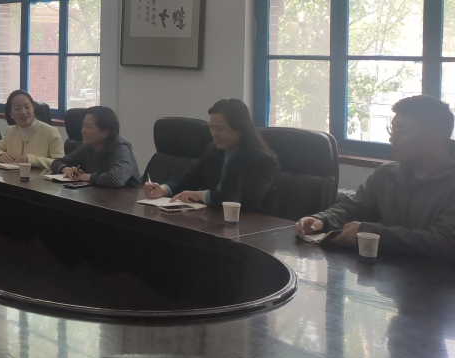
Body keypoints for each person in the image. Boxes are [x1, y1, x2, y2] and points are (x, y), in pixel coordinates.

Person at [295, 95, 455, 263]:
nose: (392, 139)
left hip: (439, 277)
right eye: (392, 130)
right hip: (389, 273)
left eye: (401, 131)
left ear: (433, 139)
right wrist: (322, 220)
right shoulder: (387, 174)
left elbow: (446, 242)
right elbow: (353, 208)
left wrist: (370, 233)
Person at [144, 99, 280, 210]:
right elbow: (189, 180)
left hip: (248, 226)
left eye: (219, 129)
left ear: (240, 129)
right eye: (211, 127)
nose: (214, 133)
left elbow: (247, 199)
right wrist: (163, 189)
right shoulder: (213, 152)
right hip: (212, 219)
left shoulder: (263, 161)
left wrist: (203, 196)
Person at [50, 106, 142, 188]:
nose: (82, 131)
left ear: (105, 132)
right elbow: (57, 162)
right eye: (83, 126)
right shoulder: (88, 147)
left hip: (127, 198)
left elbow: (116, 179)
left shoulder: (121, 148)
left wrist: (86, 176)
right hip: (97, 195)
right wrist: (66, 169)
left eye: (88, 127)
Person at [0, 90, 64, 169]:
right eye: (18, 109)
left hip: (40, 176)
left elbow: (60, 162)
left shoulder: (50, 132)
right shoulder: (11, 131)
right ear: (10, 113)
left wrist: (31, 160)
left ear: (33, 109)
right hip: (12, 176)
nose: (23, 112)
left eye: (27, 107)